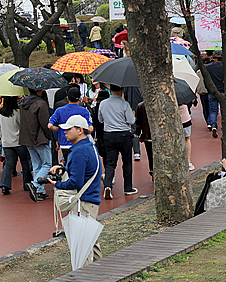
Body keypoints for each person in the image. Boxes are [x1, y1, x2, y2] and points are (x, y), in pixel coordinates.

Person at [47, 114, 103, 265]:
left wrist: (57, 185)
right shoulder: (88, 146)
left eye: (68, 129)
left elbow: (76, 182)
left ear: (80, 130)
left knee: (81, 246)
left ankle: (84, 281)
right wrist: (64, 168)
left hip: (82, 204)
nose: (64, 132)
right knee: (91, 241)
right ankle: (100, 275)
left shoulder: (79, 151)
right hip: (91, 200)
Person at [98, 85, 137, 199]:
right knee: (127, 161)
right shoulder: (124, 104)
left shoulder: (103, 103)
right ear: (122, 90)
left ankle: (108, 185)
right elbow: (131, 120)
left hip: (109, 135)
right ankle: (128, 188)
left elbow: (100, 120)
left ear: (110, 90)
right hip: (124, 134)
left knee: (110, 162)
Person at [19, 89, 52, 202]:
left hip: (27, 138)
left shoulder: (23, 103)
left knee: (37, 164)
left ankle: (40, 191)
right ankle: (35, 184)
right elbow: (45, 123)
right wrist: (49, 136)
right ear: (38, 90)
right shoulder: (41, 103)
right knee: (47, 164)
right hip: (40, 138)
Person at [0, 95, 32, 195]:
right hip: (18, 142)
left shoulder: (1, 113)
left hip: (6, 142)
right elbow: (22, 126)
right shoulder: (17, 112)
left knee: (8, 164)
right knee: (25, 162)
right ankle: (27, 183)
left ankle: (5, 185)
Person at [49, 86, 93, 164]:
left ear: (68, 98)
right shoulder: (84, 111)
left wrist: (60, 130)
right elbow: (90, 129)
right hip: (79, 143)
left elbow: (50, 125)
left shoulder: (59, 110)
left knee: (68, 164)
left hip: (64, 143)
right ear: (80, 98)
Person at [204, 53, 224, 138]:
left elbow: (206, 80)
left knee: (213, 110)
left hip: (212, 91)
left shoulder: (208, 67)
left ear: (213, 58)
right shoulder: (224, 67)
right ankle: (224, 125)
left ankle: (213, 125)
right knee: (224, 109)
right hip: (222, 90)